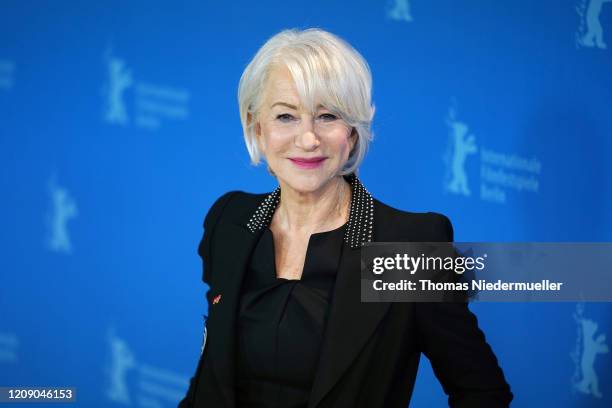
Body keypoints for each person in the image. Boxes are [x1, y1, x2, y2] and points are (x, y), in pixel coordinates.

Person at [179, 28, 512, 408]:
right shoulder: (230, 221)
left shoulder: (406, 249)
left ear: (352, 133)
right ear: (257, 126)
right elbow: (212, 380)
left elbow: (483, 394)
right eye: (286, 116)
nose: (307, 139)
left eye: (327, 116)